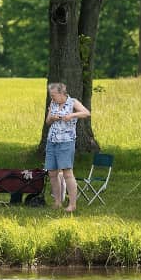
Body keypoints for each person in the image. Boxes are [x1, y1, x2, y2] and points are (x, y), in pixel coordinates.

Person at [44, 82, 90, 213]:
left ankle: (72, 204)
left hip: (66, 142)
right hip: (52, 141)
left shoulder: (72, 102)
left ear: (61, 93)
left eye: (53, 95)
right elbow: (48, 122)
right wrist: (52, 117)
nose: (52, 98)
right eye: (50, 95)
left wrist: (72, 115)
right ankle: (58, 202)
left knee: (67, 172)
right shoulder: (53, 104)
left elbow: (86, 113)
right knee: (52, 172)